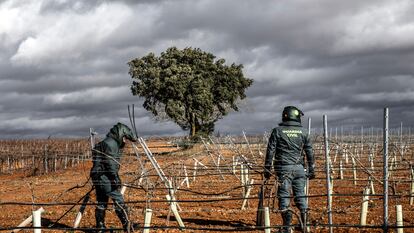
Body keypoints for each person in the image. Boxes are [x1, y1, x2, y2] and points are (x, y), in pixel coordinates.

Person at [264, 106, 315, 233]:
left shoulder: (277, 131)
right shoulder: (304, 132)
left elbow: (270, 151)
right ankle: (304, 225)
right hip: (299, 169)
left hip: (283, 170)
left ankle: (287, 227)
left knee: (284, 197)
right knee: (301, 197)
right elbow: (309, 152)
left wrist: (267, 168)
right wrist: (311, 169)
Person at [90, 122, 137, 233]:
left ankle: (100, 227)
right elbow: (110, 163)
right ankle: (127, 226)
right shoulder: (111, 144)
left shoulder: (107, 142)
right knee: (118, 199)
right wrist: (115, 178)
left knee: (102, 201)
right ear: (120, 134)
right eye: (125, 138)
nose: (125, 140)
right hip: (105, 176)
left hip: (98, 176)